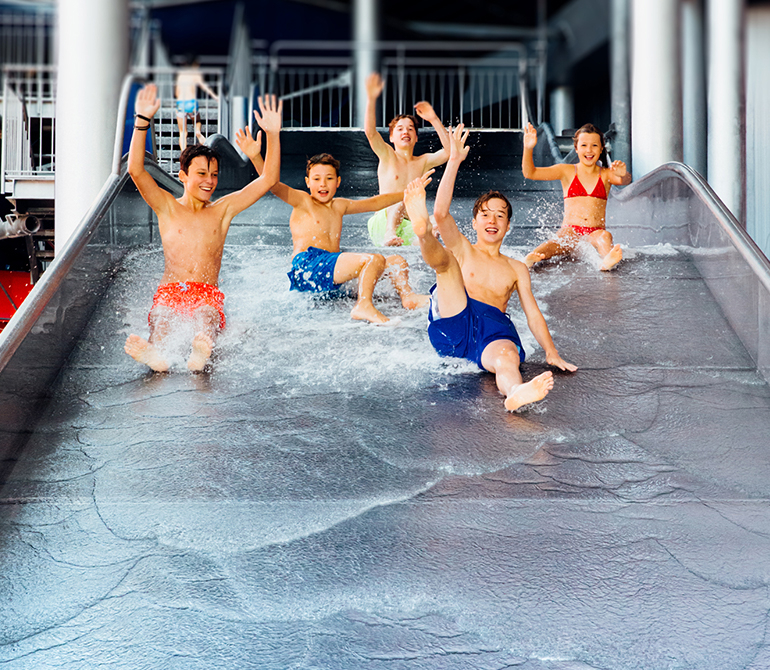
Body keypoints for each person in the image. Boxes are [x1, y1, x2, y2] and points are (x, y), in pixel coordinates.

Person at [403, 124, 577, 411]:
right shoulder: (464, 248)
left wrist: (551, 352)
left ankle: (515, 393)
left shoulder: (516, 268)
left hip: (491, 332)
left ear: (508, 226)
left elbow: (532, 313)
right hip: (454, 321)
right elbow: (442, 213)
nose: (492, 221)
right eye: (485, 215)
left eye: (499, 216)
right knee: (447, 264)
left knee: (507, 357)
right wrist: (454, 161)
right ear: (474, 223)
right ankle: (422, 232)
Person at [124, 84, 282, 372]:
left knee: (207, 317)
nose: (209, 181)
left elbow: (268, 179)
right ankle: (156, 355)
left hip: (206, 292)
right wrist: (142, 121)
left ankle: (200, 355)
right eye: (201, 174)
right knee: (161, 318)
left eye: (214, 175)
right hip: (170, 290)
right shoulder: (167, 206)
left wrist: (272, 134)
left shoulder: (222, 210)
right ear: (183, 176)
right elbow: (136, 169)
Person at [238, 123, 430, 324]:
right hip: (308, 267)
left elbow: (374, 202)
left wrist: (407, 193)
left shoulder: (339, 205)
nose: (323, 184)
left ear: (338, 182)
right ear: (307, 182)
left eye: (329, 178)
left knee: (396, 262)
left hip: (331, 270)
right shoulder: (303, 202)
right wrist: (255, 157)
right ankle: (363, 305)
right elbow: (273, 185)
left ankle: (408, 297)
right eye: (317, 179)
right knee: (372, 260)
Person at [521, 122, 632, 271]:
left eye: (594, 145)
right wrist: (528, 148)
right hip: (570, 231)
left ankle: (606, 262)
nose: (589, 150)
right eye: (584, 145)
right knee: (548, 247)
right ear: (576, 148)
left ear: (601, 149)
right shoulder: (566, 170)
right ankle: (530, 259)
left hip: (594, 232)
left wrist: (623, 174)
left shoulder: (606, 174)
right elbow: (530, 173)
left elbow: (624, 181)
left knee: (605, 236)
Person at [364, 72, 451, 247]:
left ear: (416, 137)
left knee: (435, 222)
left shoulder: (423, 161)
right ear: (391, 138)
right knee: (404, 197)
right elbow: (371, 133)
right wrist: (371, 99)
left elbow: (449, 152)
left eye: (411, 129)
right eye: (400, 129)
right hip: (383, 222)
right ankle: (390, 233)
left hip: (409, 224)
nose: (406, 132)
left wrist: (433, 119)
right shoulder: (387, 156)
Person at [175, 58, 220, 150]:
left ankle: (184, 154)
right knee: (197, 121)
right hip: (191, 103)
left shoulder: (181, 75)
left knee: (182, 133)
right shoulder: (195, 74)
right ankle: (198, 132)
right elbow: (204, 87)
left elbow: (177, 92)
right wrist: (215, 96)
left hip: (181, 103)